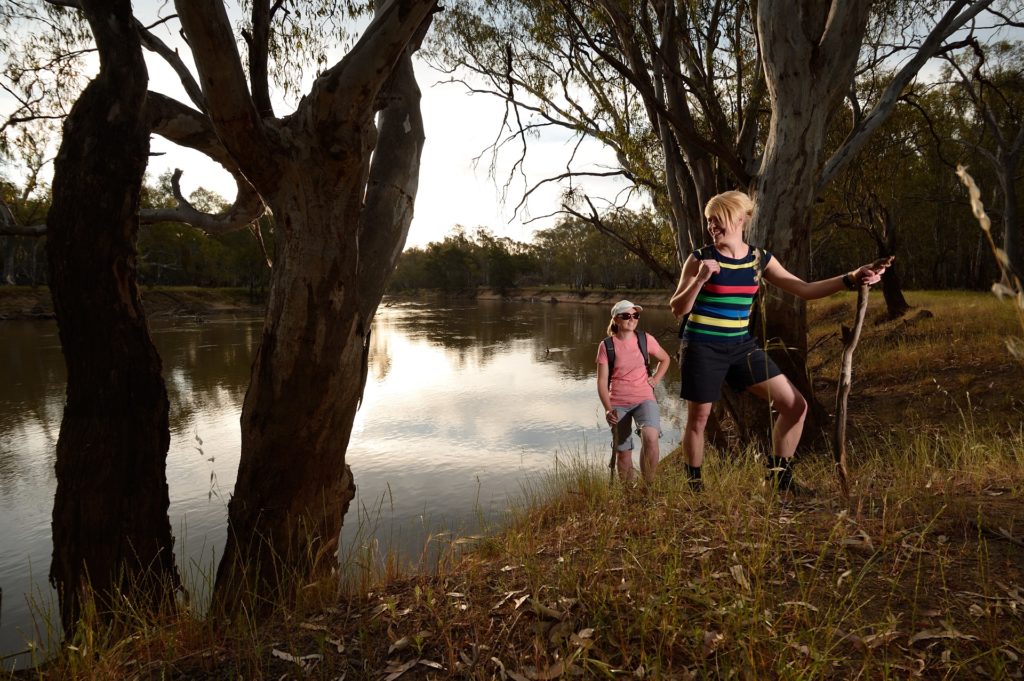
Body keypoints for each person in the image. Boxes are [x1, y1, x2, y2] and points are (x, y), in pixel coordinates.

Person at [669, 190, 887, 494]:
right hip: (702, 345)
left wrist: (851, 277)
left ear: (740, 218)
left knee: (795, 405)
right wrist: (700, 279)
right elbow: (678, 307)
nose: (711, 226)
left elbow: (805, 289)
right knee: (699, 418)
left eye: (717, 219)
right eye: (708, 221)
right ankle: (695, 489)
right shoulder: (700, 259)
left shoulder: (759, 259)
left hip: (741, 346)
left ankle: (780, 479)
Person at [596, 300, 671, 483]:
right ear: (616, 319)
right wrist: (607, 409)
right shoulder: (606, 346)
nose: (632, 319)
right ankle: (629, 495)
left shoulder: (645, 339)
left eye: (635, 315)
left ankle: (648, 486)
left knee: (651, 437)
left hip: (644, 397)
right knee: (623, 452)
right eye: (627, 316)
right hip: (618, 402)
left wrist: (655, 379)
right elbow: (601, 381)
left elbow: (665, 359)